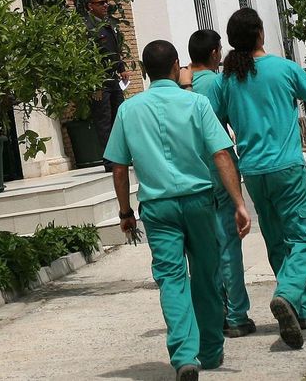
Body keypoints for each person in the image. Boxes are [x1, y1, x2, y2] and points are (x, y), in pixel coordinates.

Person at [107, 40, 252, 380]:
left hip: (158, 208)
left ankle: (185, 355)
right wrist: (239, 203)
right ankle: (211, 351)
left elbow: (117, 166)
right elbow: (221, 154)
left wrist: (125, 212)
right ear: (176, 66)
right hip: (199, 201)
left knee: (171, 280)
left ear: (144, 71)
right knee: (206, 275)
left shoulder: (129, 110)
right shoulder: (196, 103)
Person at [214, 8, 306, 350]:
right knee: (303, 239)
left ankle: (302, 309)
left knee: (279, 241)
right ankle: (286, 294)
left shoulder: (228, 80)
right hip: (286, 168)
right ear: (261, 34)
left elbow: (218, 124)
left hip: (252, 171)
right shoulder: (284, 68)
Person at [186, 29, 253, 338]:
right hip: (219, 172)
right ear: (214, 53)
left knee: (204, 250)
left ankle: (216, 311)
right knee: (228, 246)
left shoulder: (179, 86)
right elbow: (230, 120)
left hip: (191, 175)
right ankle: (237, 314)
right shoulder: (217, 83)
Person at [85, 0, 127, 163]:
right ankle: (110, 161)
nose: (105, 5)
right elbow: (87, 57)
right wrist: (95, 84)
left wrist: (122, 68)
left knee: (120, 116)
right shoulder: (87, 27)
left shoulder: (108, 25)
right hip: (99, 81)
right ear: (90, 6)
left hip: (113, 78)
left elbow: (113, 50)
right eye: (101, 3)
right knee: (104, 121)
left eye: (106, 2)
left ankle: (123, 156)